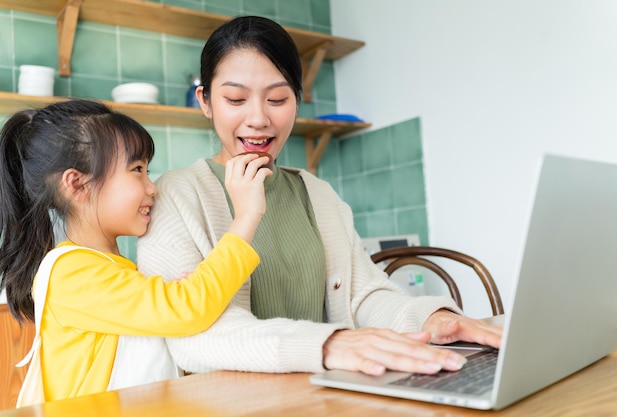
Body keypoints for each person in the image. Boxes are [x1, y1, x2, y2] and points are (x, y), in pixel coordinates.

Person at [137, 16, 502, 377]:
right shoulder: (175, 196)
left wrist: (434, 319)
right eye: (235, 99)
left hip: (322, 396)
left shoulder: (318, 193)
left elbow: (365, 296)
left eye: (278, 99)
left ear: (296, 101)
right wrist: (328, 344)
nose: (259, 118)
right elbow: (190, 335)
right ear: (206, 102)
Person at [0, 99, 271, 404]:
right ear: (77, 185)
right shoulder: (71, 273)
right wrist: (246, 215)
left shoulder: (107, 269)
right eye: (137, 170)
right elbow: (186, 310)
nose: (152, 187)